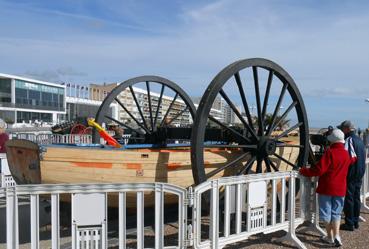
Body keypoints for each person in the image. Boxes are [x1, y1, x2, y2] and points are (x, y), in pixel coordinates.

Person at [299, 129, 352, 247]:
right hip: (341, 188)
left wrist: (304, 171)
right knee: (336, 213)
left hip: (327, 187)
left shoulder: (330, 152)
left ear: (332, 140)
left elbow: (319, 170)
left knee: (326, 213)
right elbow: (352, 161)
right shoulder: (346, 154)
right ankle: (337, 235)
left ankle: (330, 237)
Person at [338, 120, 366, 231]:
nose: (341, 131)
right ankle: (355, 221)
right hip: (359, 172)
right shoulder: (359, 140)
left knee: (349, 198)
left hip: (351, 173)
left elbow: (347, 158)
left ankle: (349, 223)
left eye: (342, 128)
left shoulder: (349, 140)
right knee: (356, 197)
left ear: (347, 129)